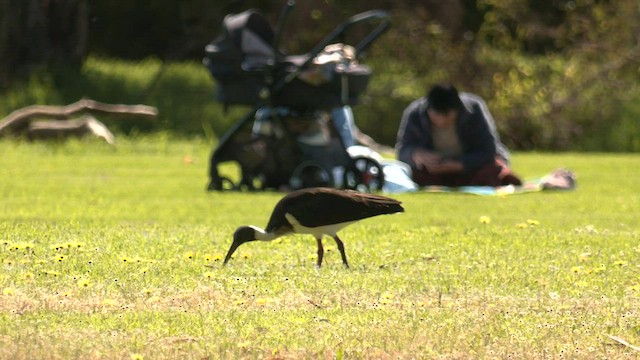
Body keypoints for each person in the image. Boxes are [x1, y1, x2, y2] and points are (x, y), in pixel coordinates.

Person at [395, 83, 522, 187]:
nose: (441, 121)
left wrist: (460, 165)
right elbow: (402, 150)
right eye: (436, 115)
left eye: (447, 116)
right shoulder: (415, 113)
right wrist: (416, 154)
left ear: (457, 109)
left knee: (491, 169)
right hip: (433, 171)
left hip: (469, 166)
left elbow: (489, 150)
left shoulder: (474, 109)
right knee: (411, 175)